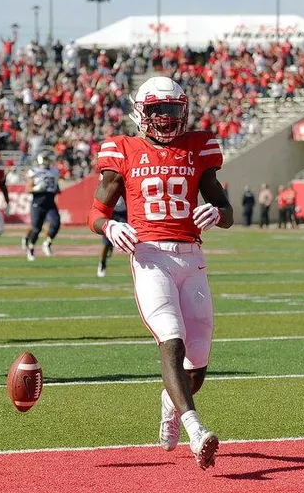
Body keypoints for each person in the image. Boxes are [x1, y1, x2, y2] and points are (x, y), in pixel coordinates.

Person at [87, 76, 232, 470]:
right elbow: (95, 214)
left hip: (192, 257)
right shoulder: (124, 150)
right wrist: (111, 226)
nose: (166, 119)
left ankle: (170, 403)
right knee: (172, 339)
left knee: (198, 360)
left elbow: (227, 209)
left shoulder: (199, 147)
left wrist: (217, 214)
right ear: (141, 112)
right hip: (150, 256)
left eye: (172, 110)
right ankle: (196, 429)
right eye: (158, 110)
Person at [21, 150, 60, 261]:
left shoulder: (55, 171)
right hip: (38, 202)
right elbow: (27, 189)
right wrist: (36, 188)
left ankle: (47, 243)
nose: (49, 161)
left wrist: (56, 190)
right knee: (36, 228)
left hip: (50, 201)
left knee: (56, 223)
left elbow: (55, 186)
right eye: (47, 159)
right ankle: (31, 247)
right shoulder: (34, 171)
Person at [97, 196, 127, 278]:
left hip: (124, 213)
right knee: (106, 243)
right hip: (111, 212)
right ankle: (102, 264)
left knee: (128, 237)